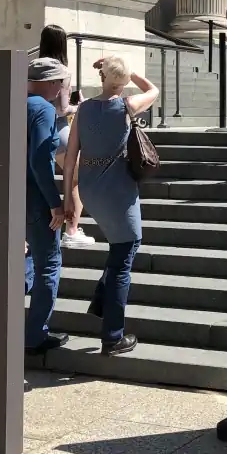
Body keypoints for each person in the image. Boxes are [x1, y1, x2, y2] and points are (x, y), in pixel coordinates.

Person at [62, 55, 159, 356]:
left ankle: (101, 305)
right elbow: (154, 90)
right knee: (126, 252)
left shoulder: (84, 109)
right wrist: (131, 74)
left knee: (120, 249)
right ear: (124, 81)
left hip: (90, 189)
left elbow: (70, 158)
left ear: (102, 78)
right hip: (118, 190)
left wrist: (67, 196)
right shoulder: (127, 107)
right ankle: (112, 336)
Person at [25, 58, 71, 355]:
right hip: (35, 200)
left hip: (11, 196)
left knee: (28, 262)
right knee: (48, 265)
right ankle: (34, 334)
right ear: (52, 84)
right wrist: (55, 203)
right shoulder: (42, 109)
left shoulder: (14, 103)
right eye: (63, 83)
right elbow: (40, 161)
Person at [37, 24, 94, 249]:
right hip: (58, 129)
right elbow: (61, 109)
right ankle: (71, 230)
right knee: (75, 178)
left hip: (34, 127)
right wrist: (78, 106)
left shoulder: (33, 67)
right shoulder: (62, 71)